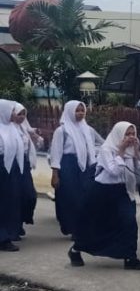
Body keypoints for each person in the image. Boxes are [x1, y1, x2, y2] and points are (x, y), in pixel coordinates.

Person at [70, 121, 140, 270]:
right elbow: (114, 171)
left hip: (124, 191)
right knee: (97, 226)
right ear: (119, 134)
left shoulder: (131, 151)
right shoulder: (107, 149)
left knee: (129, 223)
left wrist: (137, 153)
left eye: (133, 134)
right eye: (127, 134)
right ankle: (76, 250)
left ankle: (130, 257)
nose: (131, 137)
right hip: (103, 192)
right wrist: (120, 151)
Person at [50, 100, 102, 237]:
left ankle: (81, 228)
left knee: (85, 197)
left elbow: (101, 143)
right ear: (69, 112)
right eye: (77, 111)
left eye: (82, 110)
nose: (80, 113)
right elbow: (56, 152)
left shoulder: (88, 129)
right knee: (70, 197)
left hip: (85, 166)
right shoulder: (62, 131)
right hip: (68, 165)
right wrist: (55, 174)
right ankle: (72, 227)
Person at [0, 100, 27, 251]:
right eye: (11, 111)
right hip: (1, 167)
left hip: (12, 169)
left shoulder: (12, 128)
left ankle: (7, 234)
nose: (13, 114)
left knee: (10, 202)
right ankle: (3, 238)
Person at [12, 103, 40, 232]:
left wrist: (35, 138)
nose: (22, 117)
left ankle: (22, 219)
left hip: (24, 164)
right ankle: (15, 225)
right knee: (14, 196)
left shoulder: (24, 128)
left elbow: (34, 145)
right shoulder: (7, 128)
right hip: (11, 164)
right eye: (19, 114)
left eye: (24, 114)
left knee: (29, 196)